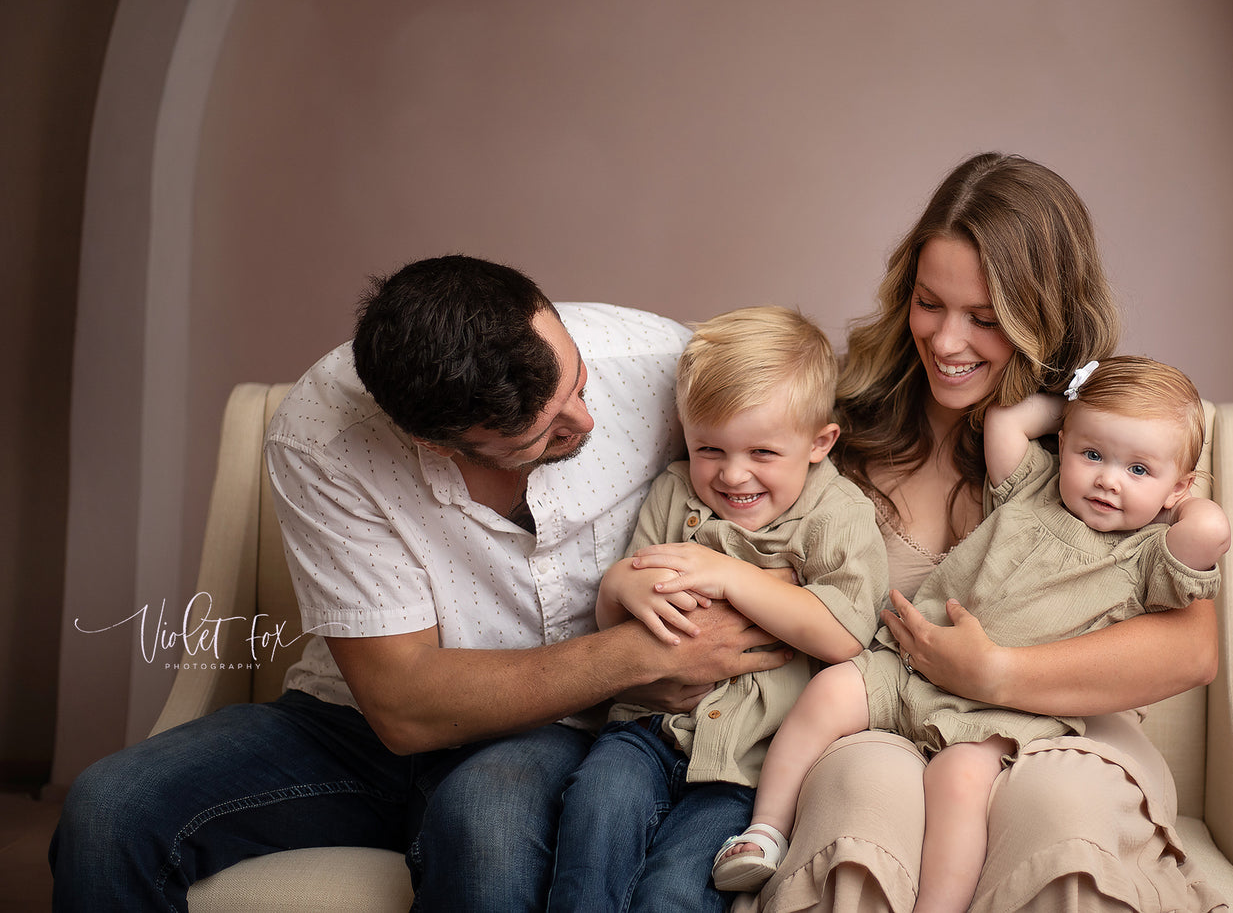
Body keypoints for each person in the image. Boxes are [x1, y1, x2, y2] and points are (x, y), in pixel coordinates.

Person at [50, 256, 792, 912]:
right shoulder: (322, 433)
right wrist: (640, 655)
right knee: (111, 809)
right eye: (540, 436)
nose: (585, 419)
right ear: (433, 442)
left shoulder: (660, 361)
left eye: (575, 381)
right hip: (353, 723)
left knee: (488, 834)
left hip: (556, 729)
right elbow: (401, 706)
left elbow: (802, 444)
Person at [731, 152, 1230, 913]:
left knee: (1056, 809)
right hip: (891, 710)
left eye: (986, 319)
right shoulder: (837, 423)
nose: (946, 341)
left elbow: (1192, 650)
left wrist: (994, 674)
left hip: (1059, 726)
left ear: (1043, 317)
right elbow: (743, 538)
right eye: (929, 303)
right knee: (863, 793)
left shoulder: (1109, 456)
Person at [546, 305, 889, 912]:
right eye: (710, 448)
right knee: (594, 814)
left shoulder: (838, 514)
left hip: (748, 762)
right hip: (645, 730)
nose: (733, 475)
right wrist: (618, 590)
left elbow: (843, 635)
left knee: (676, 889)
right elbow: (618, 632)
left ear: (820, 442)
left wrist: (733, 576)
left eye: (762, 452)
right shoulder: (673, 492)